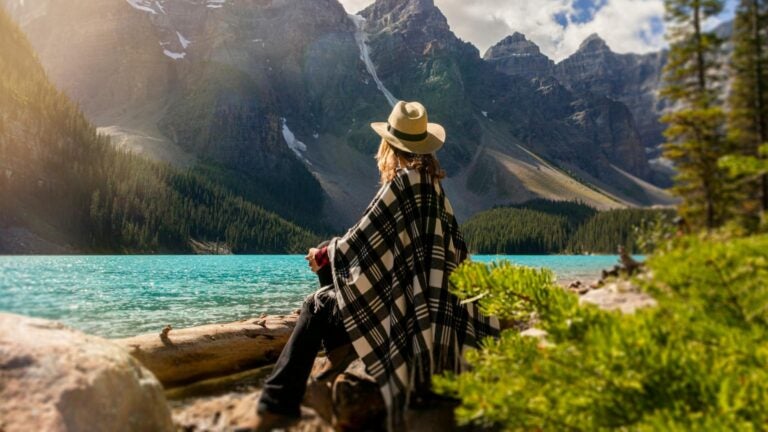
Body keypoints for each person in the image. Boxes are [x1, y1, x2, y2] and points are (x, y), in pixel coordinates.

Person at [250, 101, 500, 431]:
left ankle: (277, 405)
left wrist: (323, 254)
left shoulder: (402, 184)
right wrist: (332, 252)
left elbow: (361, 241)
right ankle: (336, 361)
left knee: (316, 304)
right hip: (434, 316)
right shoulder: (432, 188)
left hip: (408, 315)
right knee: (335, 280)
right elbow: (385, 248)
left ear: (389, 145)